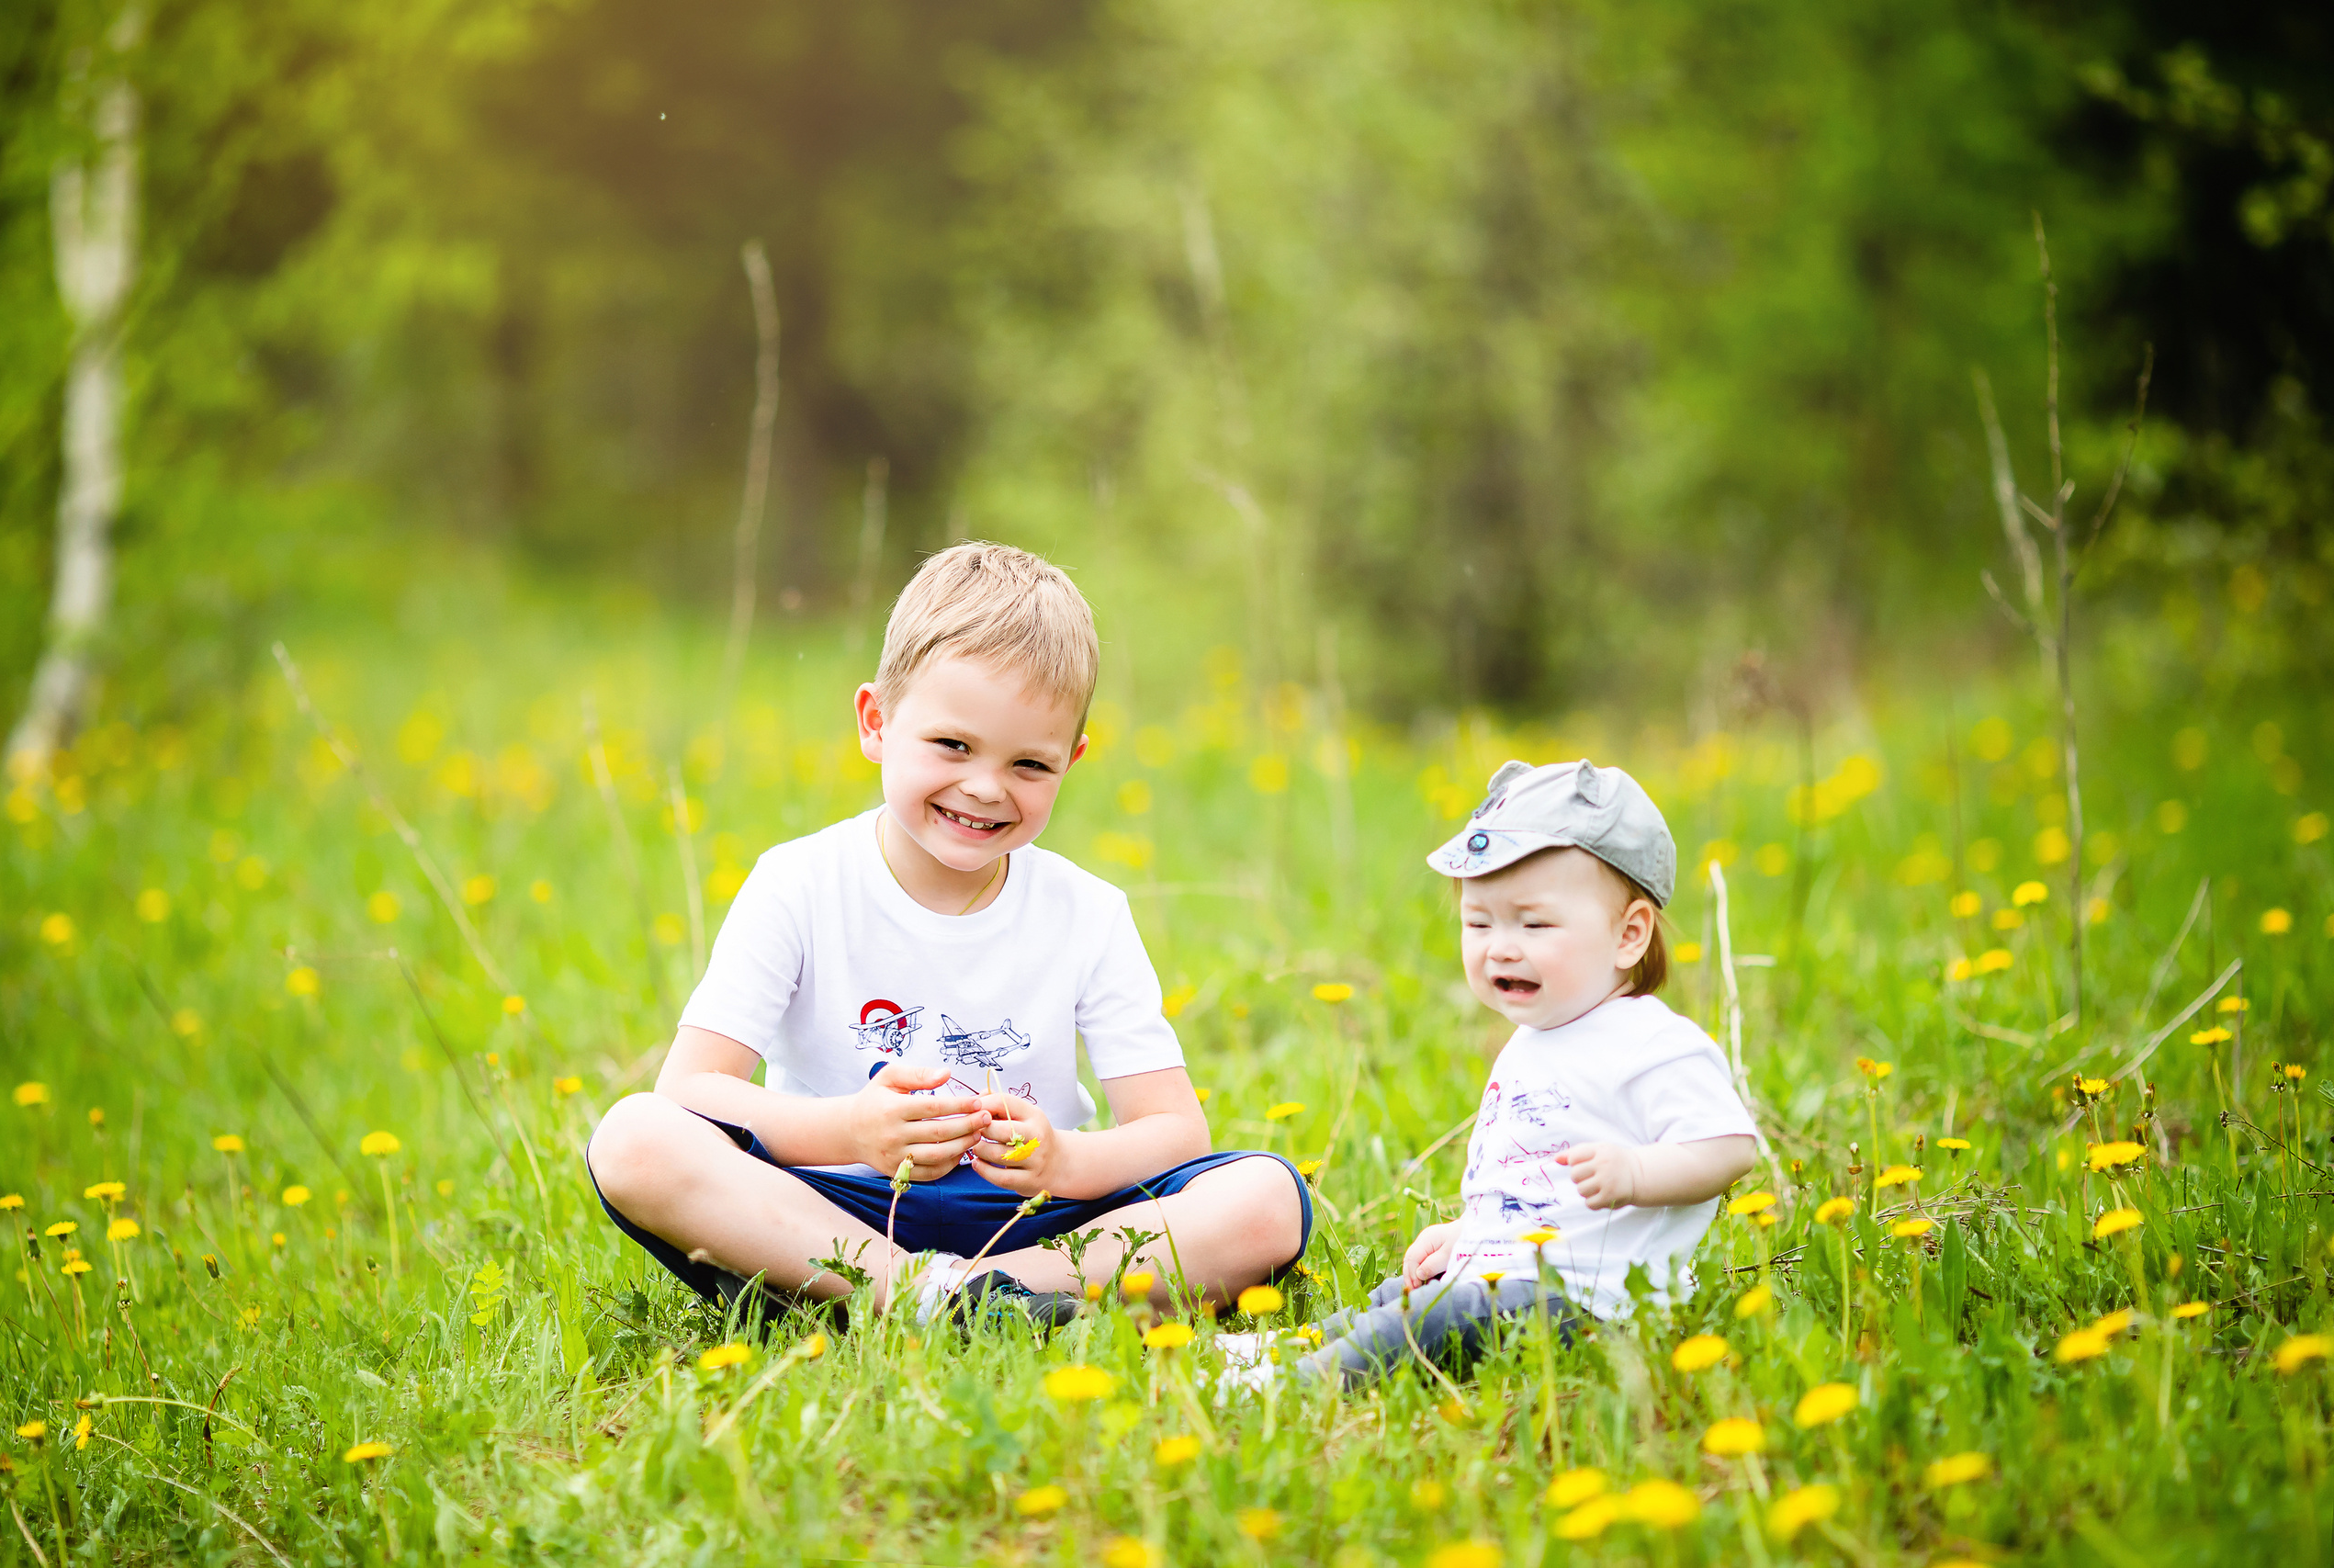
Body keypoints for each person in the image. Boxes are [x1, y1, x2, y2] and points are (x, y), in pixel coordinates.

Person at [586, 542, 1308, 1328]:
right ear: (876, 722)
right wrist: (850, 1129)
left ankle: (979, 1294)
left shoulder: (1087, 911)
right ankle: (919, 1290)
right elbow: (691, 1088)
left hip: (1034, 1218)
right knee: (634, 1137)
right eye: (953, 745)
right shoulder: (798, 882)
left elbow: (1174, 1129)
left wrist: (1065, 1160)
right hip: (838, 1203)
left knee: (1266, 1200)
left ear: (1071, 761)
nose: (985, 787)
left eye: (1030, 764)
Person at [1244, 758, 1758, 1389]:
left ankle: (1298, 1383)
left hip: (1594, 1303)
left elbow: (1730, 1146)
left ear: (1629, 935)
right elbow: (1537, 1185)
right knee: (1401, 1298)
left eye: (1534, 923)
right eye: (1479, 922)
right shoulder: (1533, 1040)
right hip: (1515, 1283)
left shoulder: (1649, 1041)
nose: (1501, 946)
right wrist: (1473, 1235)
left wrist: (1637, 1173)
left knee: (1437, 1317)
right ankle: (1281, 1351)